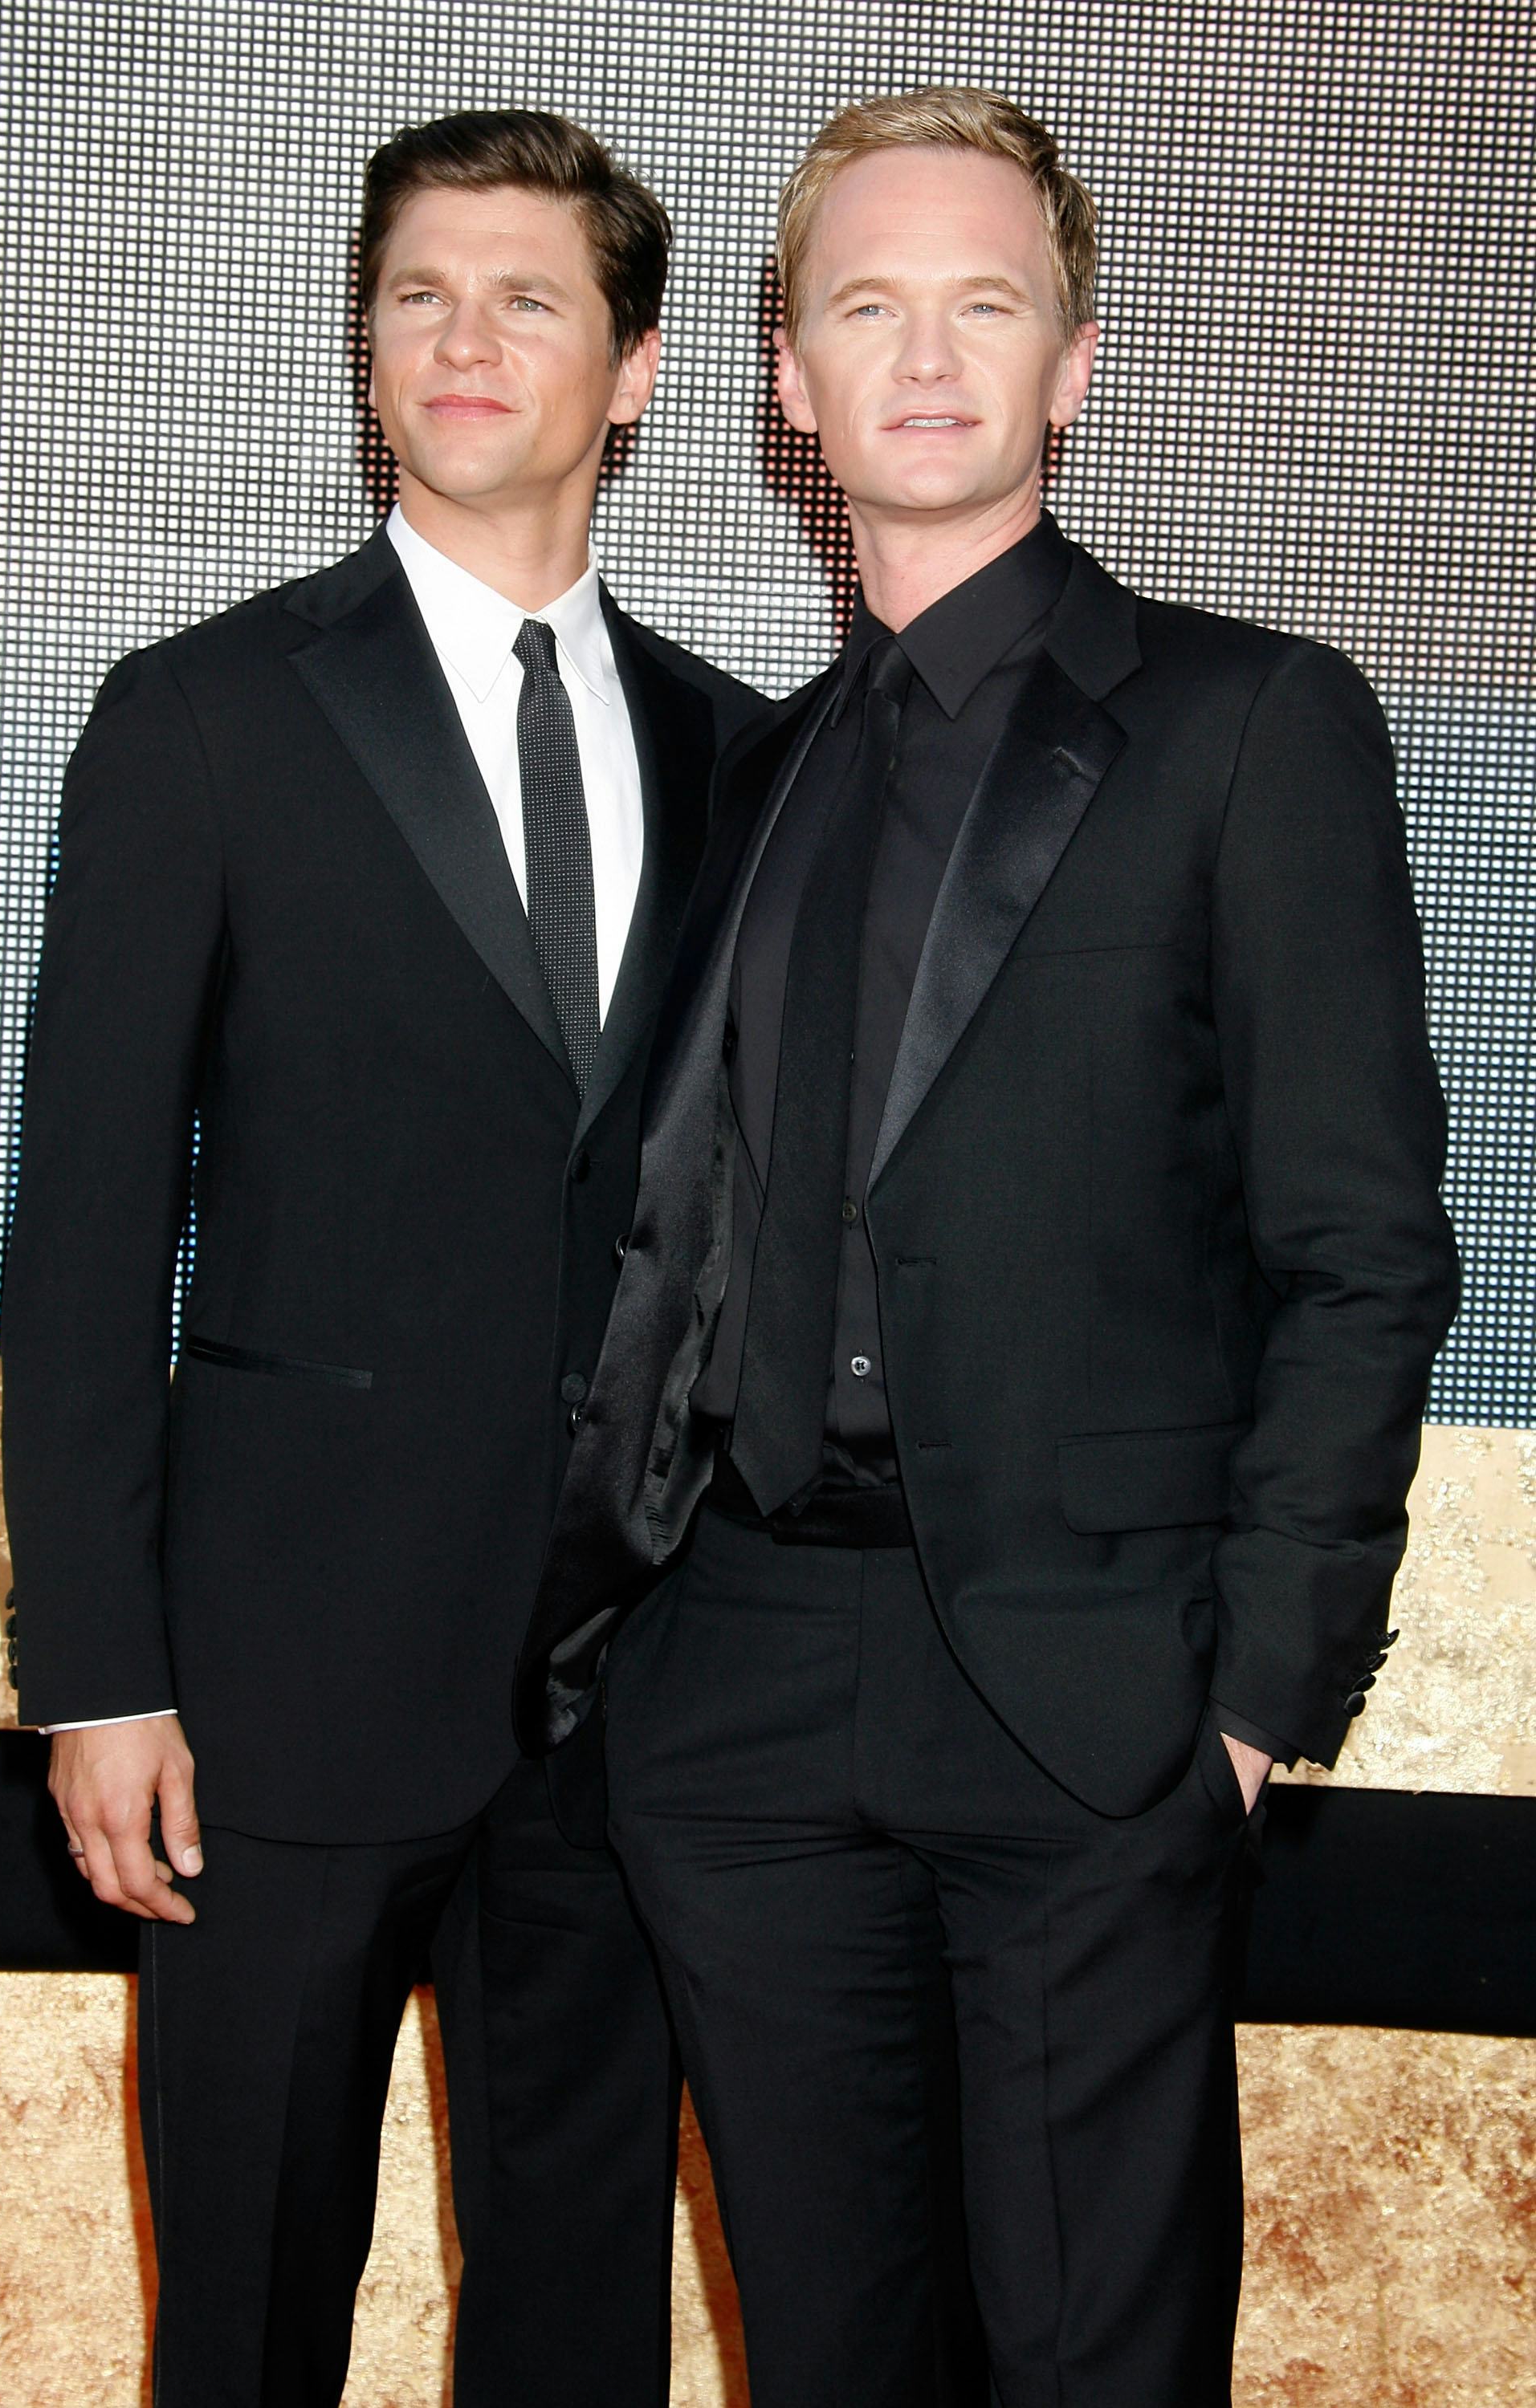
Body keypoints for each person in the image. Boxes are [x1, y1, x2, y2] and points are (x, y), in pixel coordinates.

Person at [515, 87, 1460, 2408]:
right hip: (738, 1698)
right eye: (867, 305)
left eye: (986, 303)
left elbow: (1364, 1253)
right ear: (785, 383)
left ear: (1077, 364)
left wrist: (1251, 1709)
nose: (925, 357)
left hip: (1089, 1707)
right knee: (827, 2359)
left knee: (1094, 2368)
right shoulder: (753, 770)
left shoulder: (1254, 727)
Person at [0, 108, 756, 2408]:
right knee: (242, 2317)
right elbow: (87, 1224)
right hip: (270, 1691)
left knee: (577, 2323)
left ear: (631, 371)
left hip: (640, 1695)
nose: (463, 333)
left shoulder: (746, 755)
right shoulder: (203, 716)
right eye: (418, 288)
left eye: (529, 294)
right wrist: (99, 1672)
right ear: (360, 346)